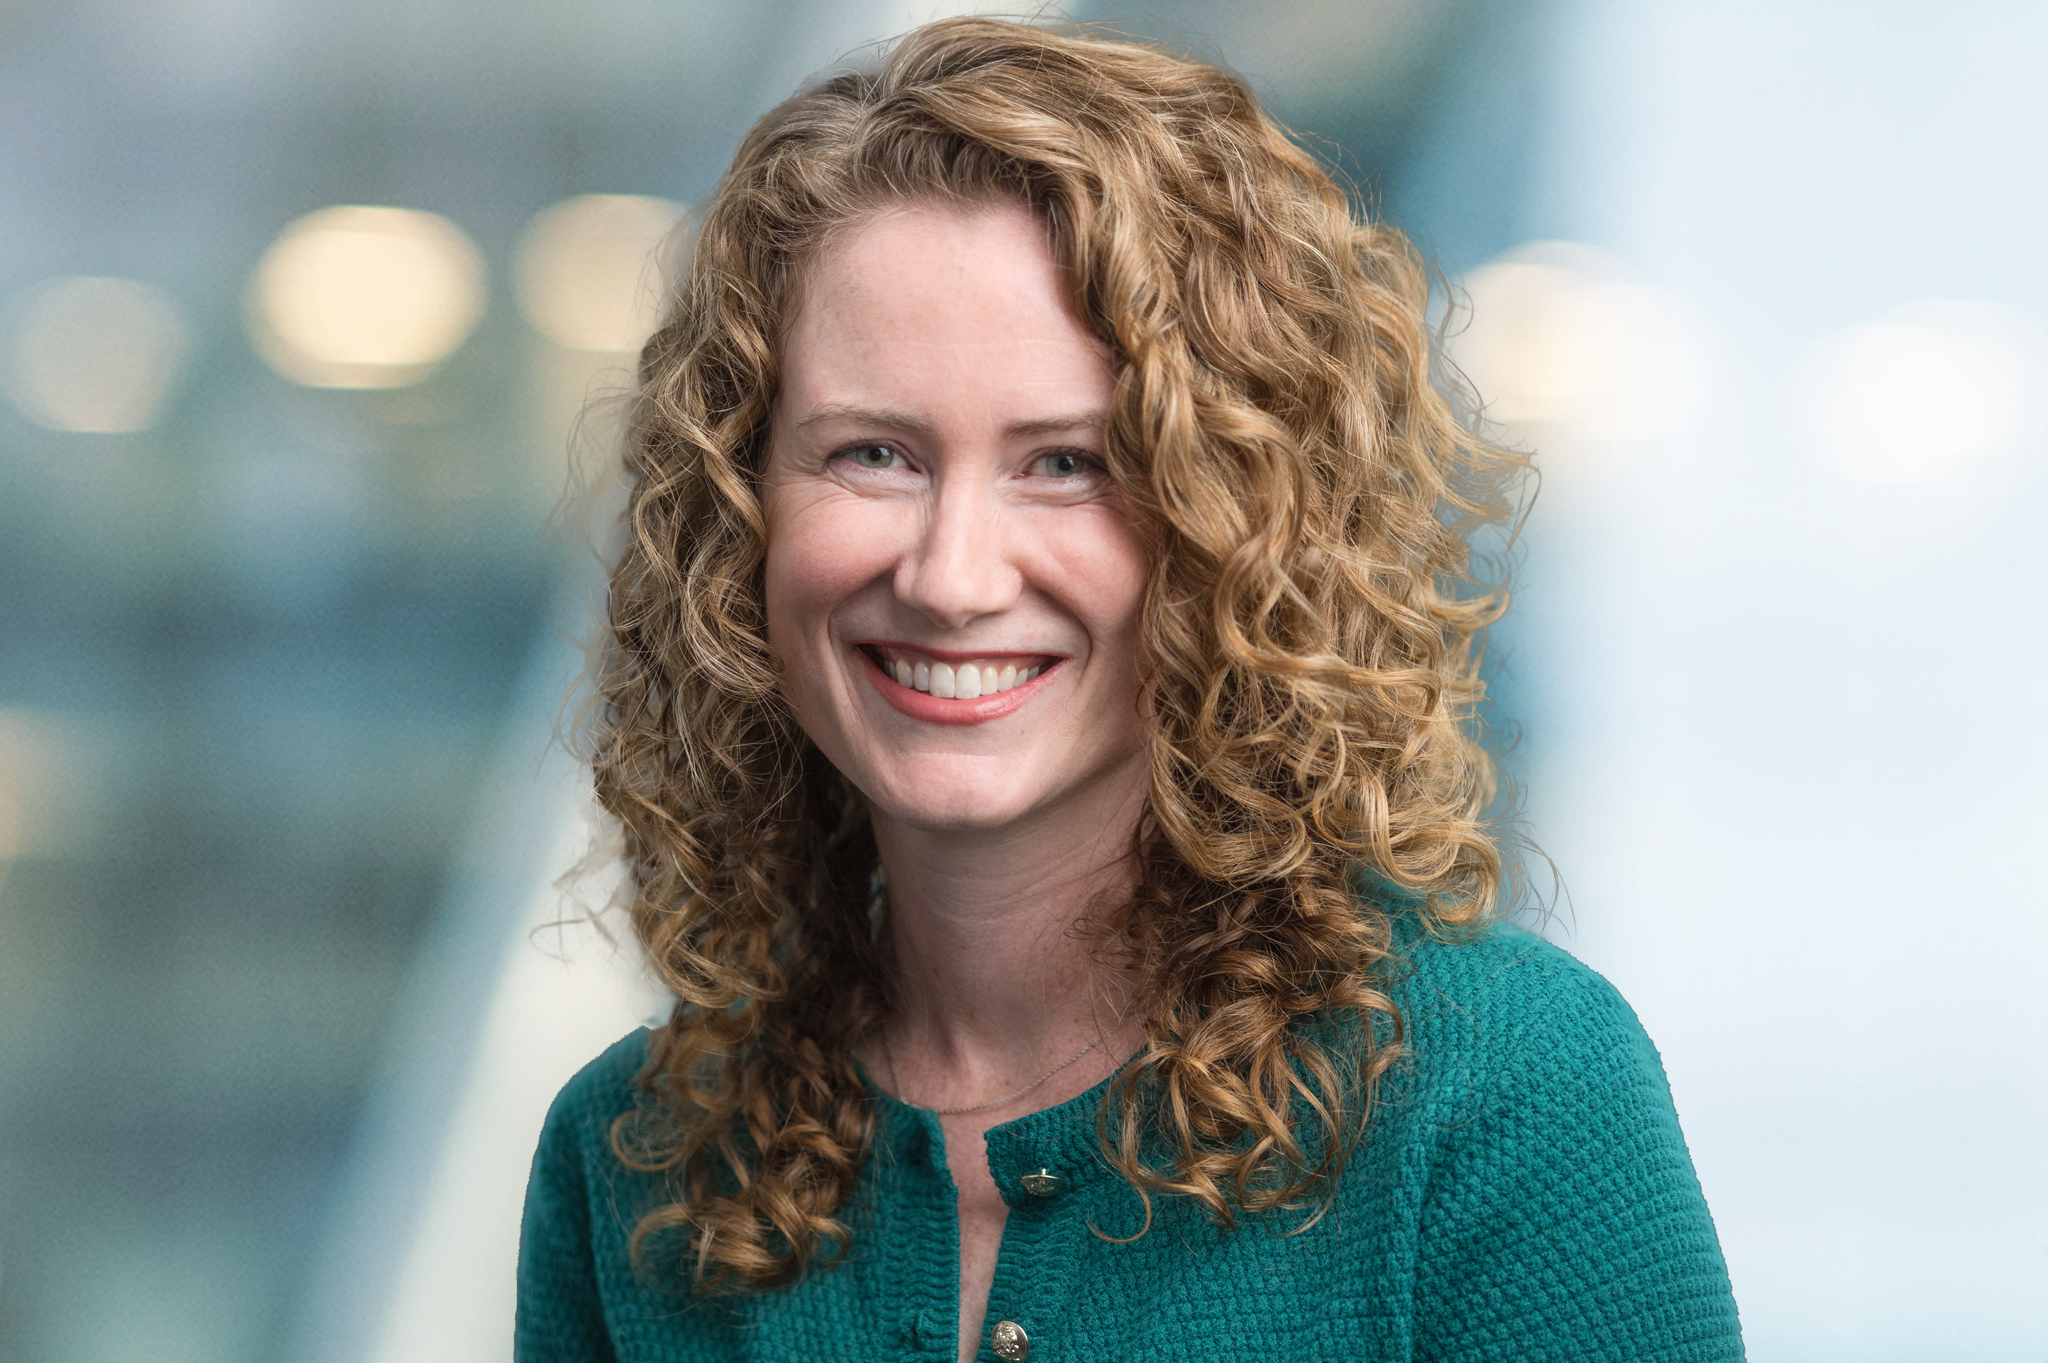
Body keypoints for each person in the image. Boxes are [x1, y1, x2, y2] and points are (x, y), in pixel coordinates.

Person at [518, 17, 1743, 1362]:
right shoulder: (631, 1157)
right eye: (872, 453)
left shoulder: (1499, 1091)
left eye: (1068, 463)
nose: (951, 574)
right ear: (740, 512)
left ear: (1242, 525)